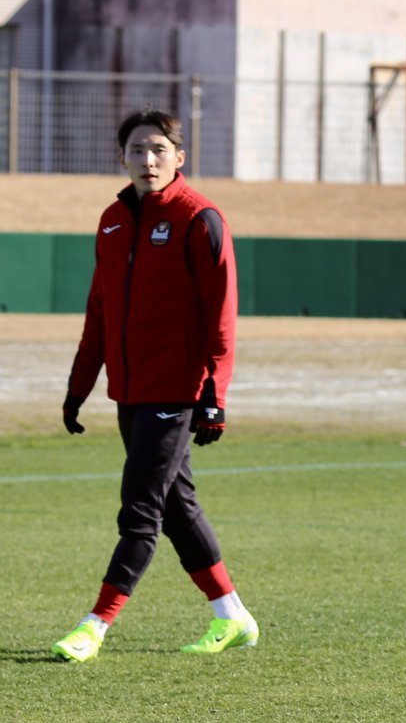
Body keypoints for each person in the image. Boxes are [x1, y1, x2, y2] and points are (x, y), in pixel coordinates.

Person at [52, 109, 257, 663]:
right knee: (175, 507)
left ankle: (95, 625)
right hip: (130, 390)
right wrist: (79, 387)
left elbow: (222, 315)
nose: (147, 160)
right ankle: (232, 615)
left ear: (179, 158)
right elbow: (99, 312)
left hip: (178, 390)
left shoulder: (200, 218)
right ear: (122, 157)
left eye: (159, 150)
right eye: (137, 150)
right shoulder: (113, 221)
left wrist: (215, 394)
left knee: (140, 510)